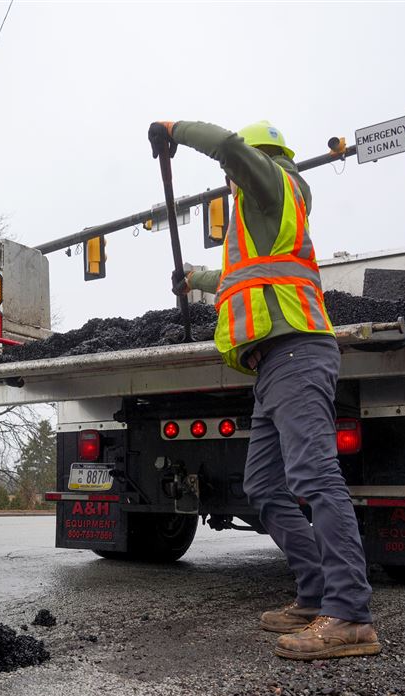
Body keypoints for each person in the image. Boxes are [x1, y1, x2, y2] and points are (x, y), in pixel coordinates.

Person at [148, 119, 380, 660]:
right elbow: (244, 277)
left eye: (236, 172)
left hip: (297, 353)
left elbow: (228, 145)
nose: (231, 180)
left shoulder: (274, 182)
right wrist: (197, 280)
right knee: (264, 486)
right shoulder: (262, 220)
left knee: (316, 477)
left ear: (258, 161)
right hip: (276, 364)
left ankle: (349, 615)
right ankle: (316, 592)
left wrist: (175, 129)